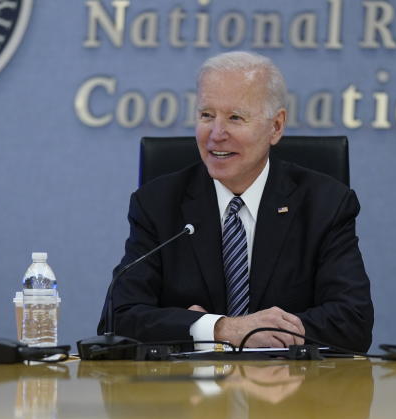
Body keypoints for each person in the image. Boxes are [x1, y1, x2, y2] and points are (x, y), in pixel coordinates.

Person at [101, 51, 373, 351]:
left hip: (291, 390)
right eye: (206, 115)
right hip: (186, 393)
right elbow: (117, 320)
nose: (216, 134)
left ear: (276, 126)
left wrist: (261, 332)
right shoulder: (157, 203)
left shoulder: (325, 203)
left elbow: (353, 321)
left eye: (235, 117)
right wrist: (223, 329)